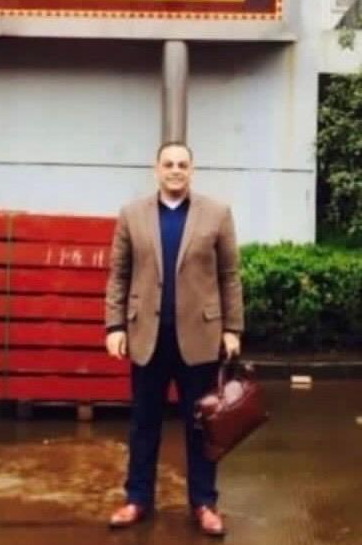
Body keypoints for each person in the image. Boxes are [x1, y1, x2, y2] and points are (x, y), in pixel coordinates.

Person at [104, 141, 244, 537]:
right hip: (147, 338)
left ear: (192, 170)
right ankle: (137, 499)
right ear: (156, 170)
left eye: (183, 164)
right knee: (143, 424)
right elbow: (119, 274)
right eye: (169, 164)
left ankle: (204, 503)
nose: (176, 170)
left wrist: (232, 329)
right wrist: (115, 326)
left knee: (201, 426)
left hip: (200, 338)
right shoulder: (132, 215)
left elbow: (230, 276)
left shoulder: (216, 214)